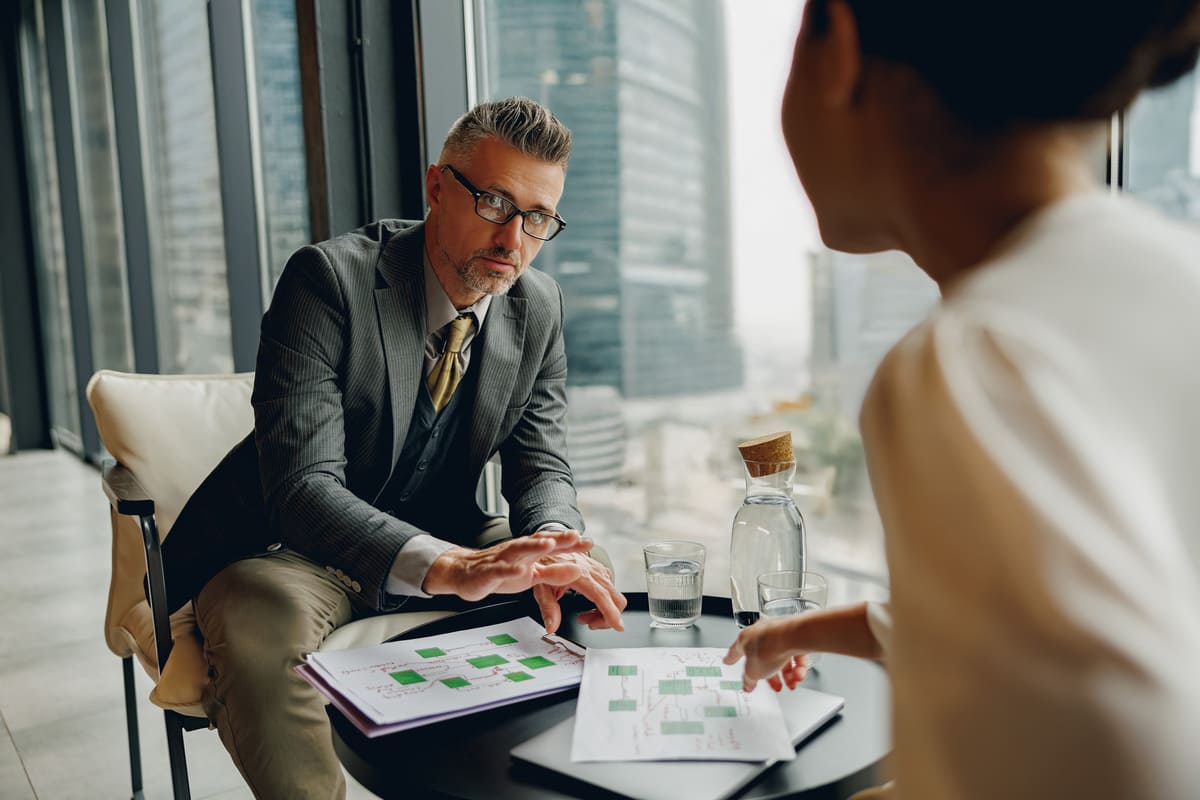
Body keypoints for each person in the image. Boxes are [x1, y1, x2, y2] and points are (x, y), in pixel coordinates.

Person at [725, 2, 1200, 798]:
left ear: (838, 45)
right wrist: (803, 631)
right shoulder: (1166, 279)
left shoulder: (977, 359)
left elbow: (1109, 757)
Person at [161, 96, 627, 798]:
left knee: (584, 576)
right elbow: (303, 491)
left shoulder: (539, 307)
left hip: (444, 529)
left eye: (537, 219)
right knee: (260, 621)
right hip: (291, 553)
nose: (513, 242)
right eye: (496, 202)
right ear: (439, 187)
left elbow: (543, 464)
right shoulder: (327, 282)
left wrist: (554, 540)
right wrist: (449, 566)